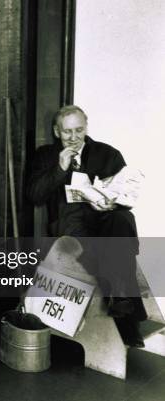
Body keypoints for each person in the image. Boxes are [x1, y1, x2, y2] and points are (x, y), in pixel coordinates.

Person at [27, 105, 146, 347]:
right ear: (57, 131)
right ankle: (127, 317)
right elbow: (34, 195)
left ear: (86, 127)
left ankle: (120, 297)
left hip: (103, 221)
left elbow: (124, 193)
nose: (73, 137)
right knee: (107, 244)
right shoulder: (45, 155)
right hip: (68, 222)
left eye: (79, 130)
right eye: (67, 132)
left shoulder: (107, 154)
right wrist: (60, 168)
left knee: (122, 221)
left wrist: (109, 202)